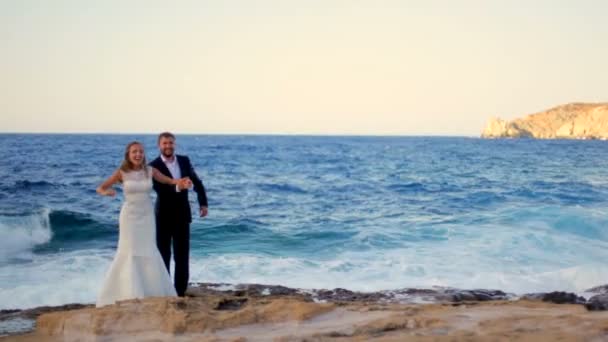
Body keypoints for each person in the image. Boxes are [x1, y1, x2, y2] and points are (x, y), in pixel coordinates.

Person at [95, 141, 191, 307]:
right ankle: (127, 292)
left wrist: (180, 183)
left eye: (140, 152)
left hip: (147, 216)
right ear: (128, 155)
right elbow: (101, 188)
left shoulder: (150, 171)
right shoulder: (122, 172)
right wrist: (106, 192)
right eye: (134, 152)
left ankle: (151, 290)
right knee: (129, 251)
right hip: (129, 216)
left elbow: (168, 180)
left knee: (149, 249)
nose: (138, 154)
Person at [149, 132, 208, 297]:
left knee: (182, 256)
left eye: (170, 143)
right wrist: (178, 187)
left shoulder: (184, 160)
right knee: (164, 255)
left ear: (175, 144)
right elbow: (159, 189)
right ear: (159, 146)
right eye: (164, 143)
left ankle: (180, 291)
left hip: (183, 215)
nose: (168, 146)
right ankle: (165, 290)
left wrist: (203, 203)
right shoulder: (152, 166)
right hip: (163, 216)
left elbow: (196, 181)